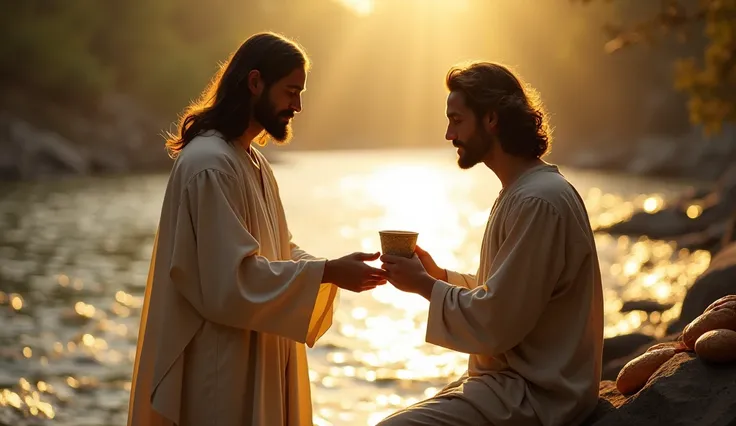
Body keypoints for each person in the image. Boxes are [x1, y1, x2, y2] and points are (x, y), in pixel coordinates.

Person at [127, 32, 387, 426]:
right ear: (254, 83)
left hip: (253, 357)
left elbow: (277, 248)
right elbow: (230, 281)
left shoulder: (250, 161)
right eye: (290, 91)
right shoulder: (209, 164)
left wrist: (331, 266)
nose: (298, 105)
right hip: (221, 371)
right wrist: (328, 272)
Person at [378, 62, 604, 426]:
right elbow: (508, 296)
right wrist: (439, 275)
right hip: (511, 385)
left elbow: (497, 321)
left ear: (492, 120)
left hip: (539, 395)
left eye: (456, 119)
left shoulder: (537, 201)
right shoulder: (523, 191)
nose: (449, 134)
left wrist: (424, 285)